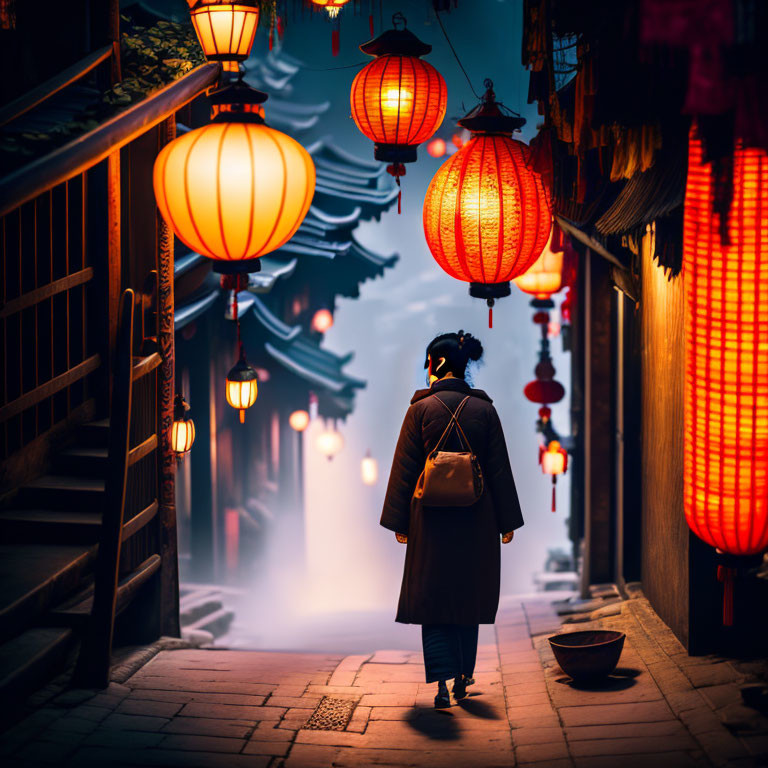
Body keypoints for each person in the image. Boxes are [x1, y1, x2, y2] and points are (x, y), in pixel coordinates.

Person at [380, 330, 524, 708]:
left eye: (429, 360)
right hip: (477, 520)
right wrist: (506, 521)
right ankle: (463, 677)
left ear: (438, 363)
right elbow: (499, 471)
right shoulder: (485, 411)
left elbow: (404, 470)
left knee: (434, 599)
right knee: (466, 598)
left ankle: (441, 685)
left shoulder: (419, 410)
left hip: (430, 521)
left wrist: (400, 522)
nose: (426, 367)